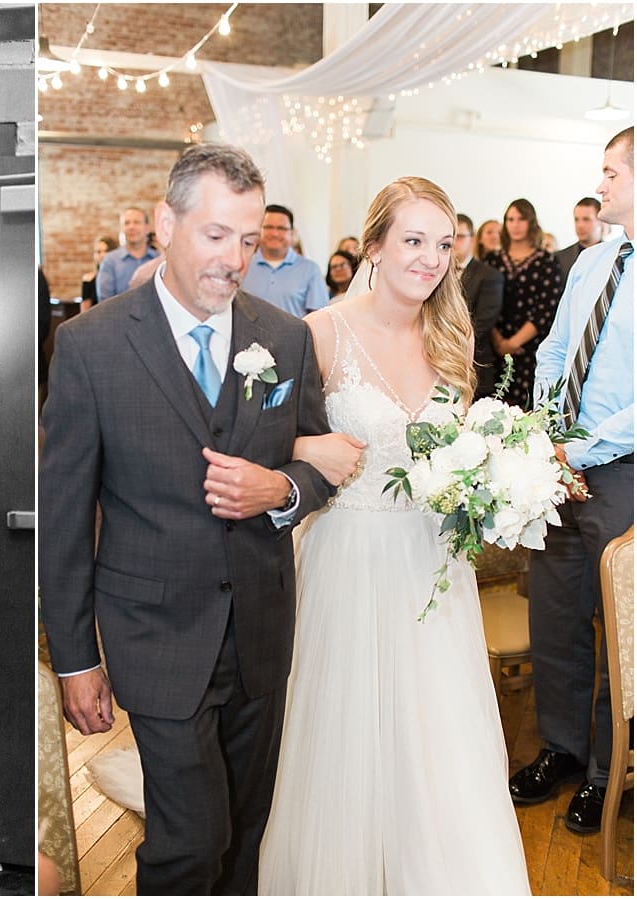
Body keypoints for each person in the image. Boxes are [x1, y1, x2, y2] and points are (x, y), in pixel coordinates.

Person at [40, 143, 334, 894]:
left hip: (261, 630)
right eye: (215, 235)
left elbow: (315, 463)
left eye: (246, 238)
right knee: (190, 839)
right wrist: (75, 657)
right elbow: (66, 516)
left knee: (244, 836)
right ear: (166, 225)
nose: (233, 258)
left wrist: (282, 488)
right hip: (154, 634)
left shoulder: (285, 337)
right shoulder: (90, 346)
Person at [256, 176, 530, 894]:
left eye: (444, 244)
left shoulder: (452, 332)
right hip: (349, 553)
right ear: (373, 243)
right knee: (348, 731)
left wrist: (491, 478)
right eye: (413, 240)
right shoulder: (320, 332)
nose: (430, 259)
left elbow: (457, 447)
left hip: (432, 560)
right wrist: (311, 453)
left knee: (435, 733)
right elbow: (266, 451)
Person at [511, 126, 634, 836]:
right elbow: (556, 347)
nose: (602, 183)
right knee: (554, 613)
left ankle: (605, 770)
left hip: (623, 471)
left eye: (614, 171)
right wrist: (549, 433)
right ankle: (560, 747)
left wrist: (583, 447)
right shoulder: (592, 258)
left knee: (618, 627)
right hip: (559, 467)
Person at [486, 199, 564, 408]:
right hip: (494, 350)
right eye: (510, 219)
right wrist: (500, 342)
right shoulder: (492, 260)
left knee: (526, 417)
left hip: (531, 351)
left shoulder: (547, 261)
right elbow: (484, 307)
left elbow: (546, 311)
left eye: (521, 219)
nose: (515, 224)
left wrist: (513, 343)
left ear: (531, 222)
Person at [241, 204, 329, 317]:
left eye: (281, 228)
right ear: (259, 230)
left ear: (292, 233)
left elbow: (319, 317)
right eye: (268, 227)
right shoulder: (242, 265)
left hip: (294, 335)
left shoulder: (310, 270)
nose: (274, 233)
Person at [455, 213, 505, 398]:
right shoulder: (437, 272)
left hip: (475, 364)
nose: (454, 242)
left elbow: (483, 322)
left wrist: (447, 341)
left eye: (459, 237)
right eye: (450, 236)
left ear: (472, 239)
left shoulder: (489, 275)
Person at [95, 207, 161, 301]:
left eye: (136, 222)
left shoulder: (158, 259)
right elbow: (105, 300)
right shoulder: (110, 261)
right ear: (121, 228)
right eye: (127, 223)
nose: (131, 227)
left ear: (147, 228)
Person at [554, 196, 605, 279]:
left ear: (600, 221)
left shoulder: (614, 256)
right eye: (576, 219)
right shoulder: (559, 258)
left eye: (586, 219)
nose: (580, 225)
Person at [81, 235, 119, 307]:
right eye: (98, 252)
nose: (102, 255)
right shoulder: (88, 279)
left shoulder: (119, 277)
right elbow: (84, 312)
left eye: (106, 251)